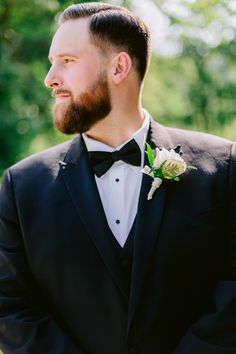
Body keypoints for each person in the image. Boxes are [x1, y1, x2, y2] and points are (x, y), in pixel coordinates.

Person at [0, 2, 236, 354]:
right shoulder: (20, 188)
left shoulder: (224, 167)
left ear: (119, 67)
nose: (50, 78)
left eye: (67, 61)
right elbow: (10, 305)